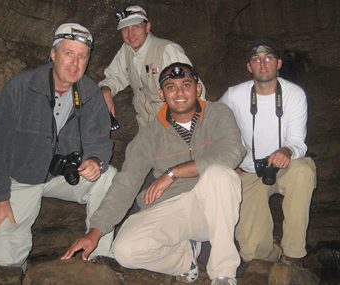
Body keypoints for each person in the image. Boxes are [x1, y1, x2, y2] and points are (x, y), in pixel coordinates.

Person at [63, 63, 246, 285]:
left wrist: (173, 173)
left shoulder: (217, 113)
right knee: (124, 251)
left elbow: (232, 153)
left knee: (221, 174)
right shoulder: (150, 135)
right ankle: (185, 259)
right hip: (172, 208)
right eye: (171, 87)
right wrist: (96, 230)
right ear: (161, 94)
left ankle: (223, 274)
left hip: (210, 206)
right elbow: (126, 183)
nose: (179, 93)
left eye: (186, 85)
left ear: (198, 89)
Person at [0, 23, 117, 270]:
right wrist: (0, 197)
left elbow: (99, 140)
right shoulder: (21, 87)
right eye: (68, 53)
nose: (75, 63)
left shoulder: (88, 92)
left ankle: (100, 253)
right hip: (21, 177)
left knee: (110, 176)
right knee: (4, 262)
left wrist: (95, 161)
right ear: (53, 54)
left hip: (63, 174)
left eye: (82, 56)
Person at [219, 38, 317, 267]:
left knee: (302, 170)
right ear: (249, 66)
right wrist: (227, 162)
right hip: (249, 172)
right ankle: (274, 251)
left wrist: (287, 150)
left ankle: (293, 254)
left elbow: (298, 143)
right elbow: (214, 128)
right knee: (253, 252)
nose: (263, 64)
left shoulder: (294, 94)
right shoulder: (233, 95)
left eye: (269, 58)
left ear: (279, 63)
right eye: (256, 59)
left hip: (285, 168)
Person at [99, 5, 206, 129]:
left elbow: (195, 90)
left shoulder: (166, 51)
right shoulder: (126, 50)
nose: (130, 34)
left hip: (173, 125)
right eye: (125, 29)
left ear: (147, 27)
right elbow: (115, 77)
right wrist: (106, 90)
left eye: (136, 27)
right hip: (146, 126)